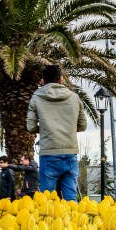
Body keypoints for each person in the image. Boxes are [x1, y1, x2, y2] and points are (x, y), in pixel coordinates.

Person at [26, 65, 87, 201]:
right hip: (70, 151)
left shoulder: (36, 97)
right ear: (60, 79)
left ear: (43, 80)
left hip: (49, 153)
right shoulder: (74, 97)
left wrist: (47, 129)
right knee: (71, 196)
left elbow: (30, 127)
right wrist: (68, 128)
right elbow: (83, 125)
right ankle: (74, 222)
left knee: (48, 199)